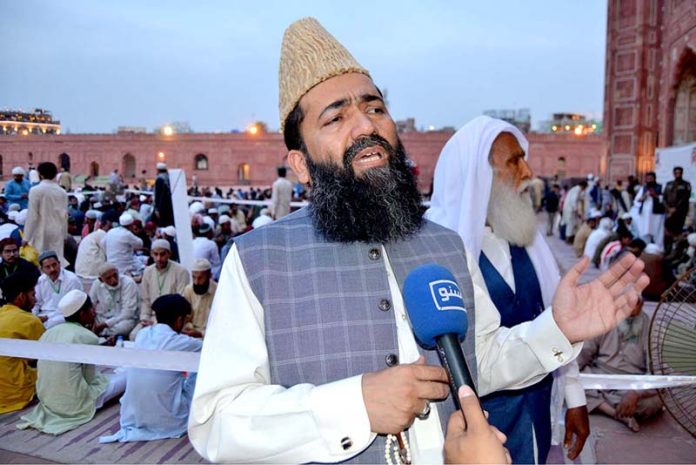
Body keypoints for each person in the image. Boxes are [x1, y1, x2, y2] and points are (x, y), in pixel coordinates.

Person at [188, 18, 648, 464]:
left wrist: (558, 328)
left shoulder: (446, 246)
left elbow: (480, 361)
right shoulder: (257, 261)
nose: (366, 126)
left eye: (374, 108)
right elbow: (216, 421)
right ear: (301, 164)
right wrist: (356, 404)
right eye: (336, 118)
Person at [426, 117, 589, 464]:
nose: (528, 172)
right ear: (476, 174)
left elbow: (556, 318)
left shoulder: (526, 239)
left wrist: (575, 398)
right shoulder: (438, 251)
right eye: (514, 160)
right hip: (481, 429)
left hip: (539, 412)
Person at [17, 290, 126, 434]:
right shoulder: (87, 337)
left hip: (48, 400)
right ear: (82, 314)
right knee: (127, 376)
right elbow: (90, 379)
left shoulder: (49, 332)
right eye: (91, 309)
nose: (94, 312)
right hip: (76, 403)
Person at [99, 294, 202, 443]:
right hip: (170, 422)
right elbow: (209, 348)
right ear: (180, 320)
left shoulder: (142, 334)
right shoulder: (180, 341)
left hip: (135, 416)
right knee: (200, 365)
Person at [577, 299, 662, 432]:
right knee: (570, 380)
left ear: (641, 304)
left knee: (654, 402)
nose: (631, 310)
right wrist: (569, 371)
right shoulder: (605, 319)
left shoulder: (652, 328)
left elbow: (657, 374)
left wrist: (635, 393)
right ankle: (614, 412)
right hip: (600, 376)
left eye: (635, 304)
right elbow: (584, 352)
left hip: (631, 384)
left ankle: (603, 404)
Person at [0, 272, 44, 414]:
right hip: (15, 395)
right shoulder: (29, 320)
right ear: (21, 297)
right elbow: (48, 355)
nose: (35, 299)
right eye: (32, 295)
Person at [133, 239, 189, 340]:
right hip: (151, 319)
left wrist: (156, 323)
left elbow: (181, 301)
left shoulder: (181, 271)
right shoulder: (148, 271)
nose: (159, 258)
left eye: (162, 254)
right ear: (151, 254)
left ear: (169, 254)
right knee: (134, 336)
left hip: (172, 322)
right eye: (156, 254)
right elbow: (145, 300)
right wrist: (145, 319)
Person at [23, 162, 69, 266]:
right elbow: (65, 216)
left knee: (41, 263)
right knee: (56, 262)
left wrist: (26, 237)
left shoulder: (35, 190)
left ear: (40, 174)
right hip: (57, 231)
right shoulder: (62, 192)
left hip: (41, 230)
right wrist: (64, 235)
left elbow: (32, 216)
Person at [33, 250, 83, 329]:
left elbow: (72, 306)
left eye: (54, 265)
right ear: (42, 269)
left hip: (65, 314)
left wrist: (47, 317)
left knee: (51, 324)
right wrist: (33, 317)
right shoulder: (41, 280)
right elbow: (36, 303)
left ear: (59, 264)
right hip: (43, 315)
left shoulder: (72, 280)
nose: (52, 269)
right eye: (47, 267)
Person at [89, 263, 139, 340]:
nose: (114, 280)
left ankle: (104, 335)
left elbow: (128, 313)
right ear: (101, 279)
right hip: (103, 318)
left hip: (123, 319)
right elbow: (91, 304)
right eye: (108, 278)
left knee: (124, 327)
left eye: (115, 275)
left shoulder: (128, 283)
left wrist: (105, 324)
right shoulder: (96, 284)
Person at [182, 258, 217, 338]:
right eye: (194, 277)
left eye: (200, 278)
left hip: (210, 336)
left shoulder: (218, 291)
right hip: (190, 335)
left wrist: (201, 333)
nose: (196, 282)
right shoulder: (188, 290)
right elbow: (185, 318)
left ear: (209, 276)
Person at [75, 211, 114, 280]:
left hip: (80, 271)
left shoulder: (95, 234)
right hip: (91, 273)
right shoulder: (102, 234)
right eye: (109, 226)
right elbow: (109, 253)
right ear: (104, 225)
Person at [631, 172, 665, 249]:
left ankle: (659, 250)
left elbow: (664, 200)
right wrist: (642, 198)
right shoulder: (643, 188)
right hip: (644, 215)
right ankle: (645, 249)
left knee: (658, 233)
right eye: (648, 179)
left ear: (655, 179)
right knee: (645, 232)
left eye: (651, 178)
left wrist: (654, 195)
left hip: (656, 214)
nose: (649, 180)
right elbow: (636, 201)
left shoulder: (660, 187)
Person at [662, 166, 691, 254]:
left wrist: (675, 209)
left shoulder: (686, 184)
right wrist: (668, 209)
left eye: (679, 173)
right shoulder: (669, 184)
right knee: (667, 233)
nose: (677, 174)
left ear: (682, 173)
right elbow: (664, 198)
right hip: (669, 213)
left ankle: (677, 251)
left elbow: (685, 198)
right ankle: (667, 249)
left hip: (679, 213)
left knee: (678, 232)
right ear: (673, 173)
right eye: (676, 173)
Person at [153, 162, 174, 227]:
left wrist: (157, 208)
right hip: (170, 204)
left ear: (158, 170)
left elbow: (158, 194)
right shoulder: (169, 177)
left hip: (162, 206)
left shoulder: (160, 179)